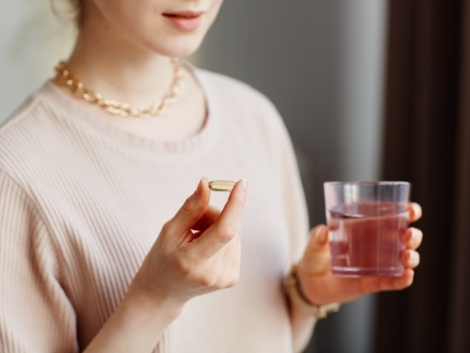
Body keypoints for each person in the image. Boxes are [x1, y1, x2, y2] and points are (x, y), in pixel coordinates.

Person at [0, 0, 423, 352]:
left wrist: (306, 295)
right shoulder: (17, 170)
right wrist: (155, 296)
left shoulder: (253, 116)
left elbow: (277, 341)